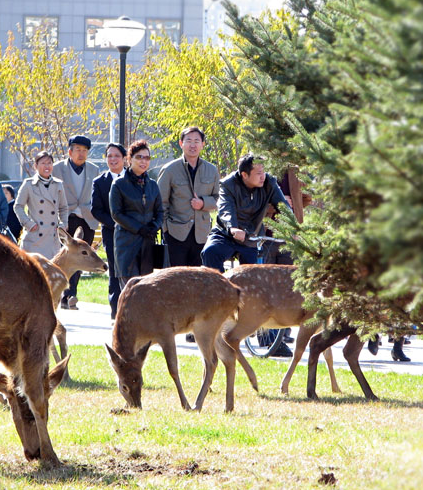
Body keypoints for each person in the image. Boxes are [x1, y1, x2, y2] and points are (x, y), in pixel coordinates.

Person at [201, 154, 293, 356]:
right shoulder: (228, 184)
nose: (263, 176)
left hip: (251, 235)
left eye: (263, 172)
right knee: (210, 253)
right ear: (244, 174)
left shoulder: (268, 182)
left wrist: (294, 227)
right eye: (257, 173)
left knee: (257, 280)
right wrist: (233, 227)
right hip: (226, 233)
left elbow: (282, 206)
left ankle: (267, 340)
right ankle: (213, 306)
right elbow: (225, 209)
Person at [157, 126, 220, 267]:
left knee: (197, 278)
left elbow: (218, 199)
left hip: (201, 234)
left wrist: (203, 203)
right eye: (189, 140)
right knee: (176, 278)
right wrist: (166, 228)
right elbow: (160, 202)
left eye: (197, 141)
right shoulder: (169, 170)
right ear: (181, 144)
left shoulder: (212, 170)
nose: (193, 145)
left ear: (203, 144)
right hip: (175, 233)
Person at [53, 134, 100, 309]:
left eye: (85, 151)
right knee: (65, 257)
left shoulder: (94, 170)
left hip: (87, 219)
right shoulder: (57, 169)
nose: (81, 154)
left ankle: (71, 293)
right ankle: (65, 294)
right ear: (70, 151)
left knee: (82, 258)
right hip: (66, 219)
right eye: (78, 150)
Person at [110, 140, 164, 289]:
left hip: (147, 244)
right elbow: (116, 213)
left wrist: (155, 226)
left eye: (147, 158)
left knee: (146, 291)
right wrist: (139, 228)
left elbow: (160, 211)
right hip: (126, 243)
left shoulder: (152, 184)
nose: (143, 161)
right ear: (129, 159)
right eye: (139, 157)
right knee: (129, 291)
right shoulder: (119, 184)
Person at [91, 143, 126, 319]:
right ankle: (115, 310)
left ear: (124, 158)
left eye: (117, 156)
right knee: (114, 270)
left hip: (134, 234)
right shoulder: (99, 182)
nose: (113, 159)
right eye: (109, 156)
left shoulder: (133, 178)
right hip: (111, 233)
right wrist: (115, 223)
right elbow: (96, 209)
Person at [14, 151, 69, 260]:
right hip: (35, 236)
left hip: (52, 237)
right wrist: (29, 224)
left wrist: (63, 224)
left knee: (51, 272)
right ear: (36, 166)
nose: (47, 166)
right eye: (43, 163)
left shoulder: (58, 184)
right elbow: (18, 206)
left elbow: (63, 208)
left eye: (49, 163)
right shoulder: (28, 184)